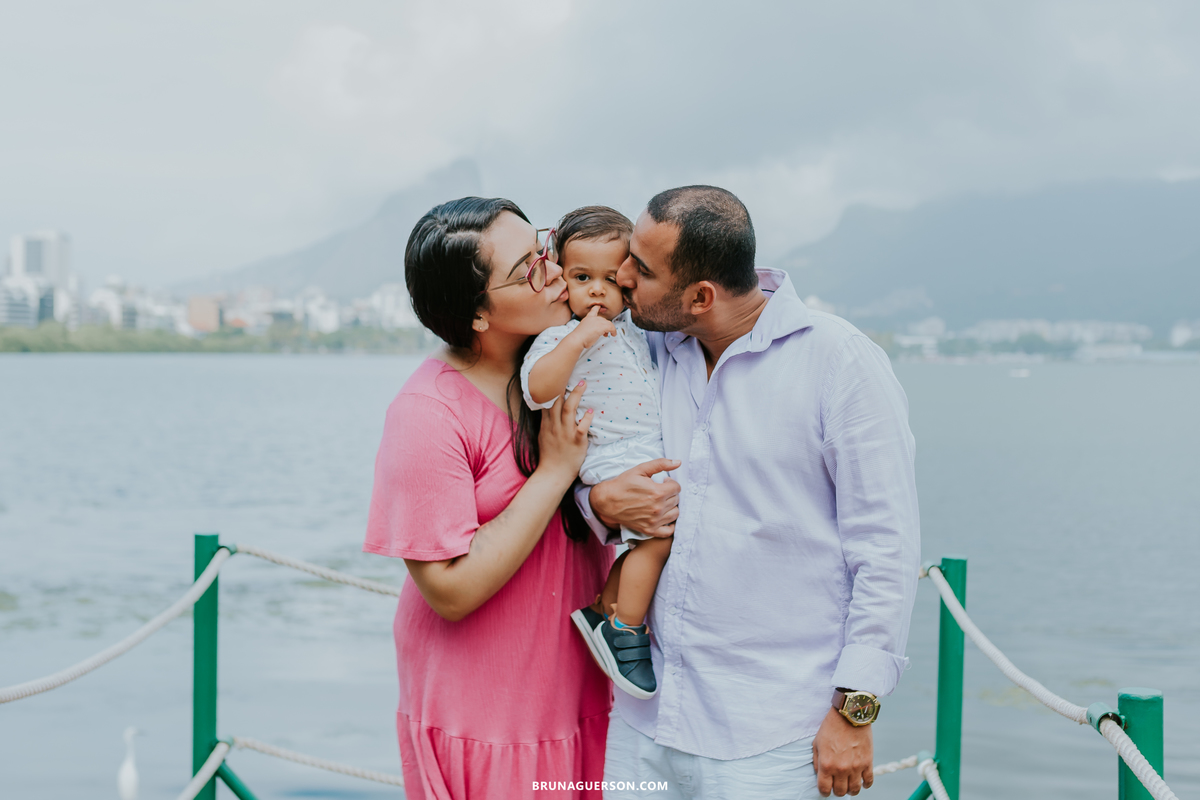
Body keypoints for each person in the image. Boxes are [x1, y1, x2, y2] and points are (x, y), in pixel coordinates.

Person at [577, 186, 921, 799]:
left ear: (700, 297)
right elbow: (598, 461)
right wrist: (599, 504)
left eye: (642, 269)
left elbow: (885, 548)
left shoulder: (840, 364)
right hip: (645, 719)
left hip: (775, 740)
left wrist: (854, 710)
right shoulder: (638, 349)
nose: (623, 277)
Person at [363, 197, 614, 800]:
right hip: (488, 711)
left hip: (576, 685)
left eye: (543, 248)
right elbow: (448, 590)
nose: (554, 271)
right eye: (528, 267)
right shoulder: (429, 412)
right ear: (477, 314)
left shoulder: (561, 361)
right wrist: (552, 473)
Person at [519, 206, 673, 701]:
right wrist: (578, 338)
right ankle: (625, 627)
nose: (597, 291)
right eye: (582, 277)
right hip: (608, 452)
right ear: (560, 277)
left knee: (653, 535)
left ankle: (602, 606)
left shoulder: (635, 330)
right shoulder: (559, 336)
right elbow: (538, 390)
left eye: (612, 279)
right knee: (657, 535)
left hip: (643, 450)